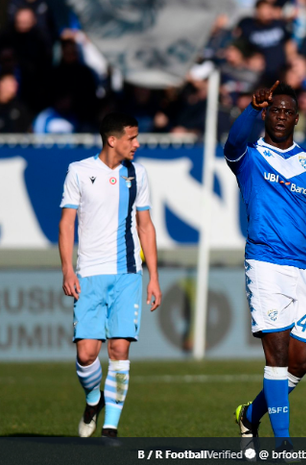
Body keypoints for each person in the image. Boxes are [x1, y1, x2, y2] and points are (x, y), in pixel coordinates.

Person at [225, 81, 306, 448]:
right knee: (278, 356)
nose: (280, 116)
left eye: (287, 111)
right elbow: (232, 144)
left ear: (296, 118)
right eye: (274, 110)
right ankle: (283, 444)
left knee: (301, 362)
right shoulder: (250, 157)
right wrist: (250, 108)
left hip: (304, 268)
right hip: (265, 263)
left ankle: (250, 415)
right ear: (267, 114)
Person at [58, 112, 162, 439]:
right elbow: (66, 224)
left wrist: (154, 276)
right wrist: (67, 268)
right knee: (87, 354)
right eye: (132, 138)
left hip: (128, 274)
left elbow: (145, 226)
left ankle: (110, 429)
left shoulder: (138, 174)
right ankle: (93, 399)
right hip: (88, 274)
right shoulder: (79, 171)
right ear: (112, 140)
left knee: (119, 350)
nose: (138, 143)